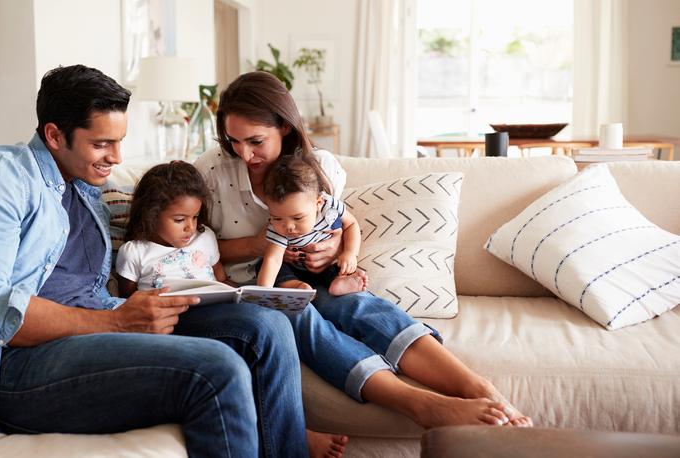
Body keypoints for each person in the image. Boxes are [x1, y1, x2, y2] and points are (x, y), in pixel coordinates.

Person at [0, 64, 345, 457]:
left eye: (119, 142)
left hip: (101, 327)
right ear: (54, 135)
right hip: (19, 365)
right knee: (218, 370)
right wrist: (117, 322)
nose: (117, 158)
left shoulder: (85, 192)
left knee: (265, 324)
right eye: (102, 143)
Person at [194, 71, 533, 428]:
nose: (244, 154)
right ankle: (419, 404)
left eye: (256, 141)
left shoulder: (318, 167)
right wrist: (256, 245)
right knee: (296, 316)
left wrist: (333, 249)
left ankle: (478, 386)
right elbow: (192, 249)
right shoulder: (213, 170)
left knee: (357, 304)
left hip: (313, 273)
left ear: (285, 128)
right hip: (252, 285)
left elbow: (337, 224)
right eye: (234, 141)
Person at [257, 153, 368, 296]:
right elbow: (273, 259)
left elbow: (351, 224)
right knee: (264, 265)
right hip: (295, 270)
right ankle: (295, 286)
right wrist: (262, 294)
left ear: (318, 203)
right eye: (277, 218)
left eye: (298, 217)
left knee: (340, 265)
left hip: (327, 265)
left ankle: (340, 282)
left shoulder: (329, 207)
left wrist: (350, 253)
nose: (288, 226)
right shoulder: (278, 229)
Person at [115, 161, 228, 295]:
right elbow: (129, 302)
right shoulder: (134, 252)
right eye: (179, 220)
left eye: (195, 217)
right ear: (151, 215)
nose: (191, 228)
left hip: (214, 309)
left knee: (252, 312)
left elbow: (222, 281)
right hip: (170, 314)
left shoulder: (205, 236)